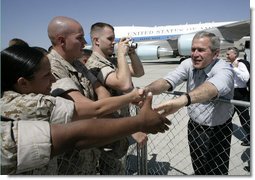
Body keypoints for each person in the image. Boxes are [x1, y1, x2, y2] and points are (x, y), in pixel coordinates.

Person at [0, 45, 171, 175]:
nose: (53, 80)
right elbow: (83, 125)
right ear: (23, 83)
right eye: (46, 76)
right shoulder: (28, 105)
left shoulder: (78, 66)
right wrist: (138, 121)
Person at [47, 16, 145, 174]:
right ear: (61, 40)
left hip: (88, 151)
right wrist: (130, 123)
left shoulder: (77, 64)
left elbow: (102, 93)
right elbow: (86, 108)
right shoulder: (52, 67)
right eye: (79, 38)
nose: (85, 43)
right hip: (69, 157)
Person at [144, 31, 234, 175]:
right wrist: (146, 90)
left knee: (217, 171)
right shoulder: (188, 64)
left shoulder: (224, 68)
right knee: (198, 168)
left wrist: (181, 101)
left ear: (216, 54)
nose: (195, 54)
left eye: (201, 50)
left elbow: (212, 87)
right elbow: (168, 81)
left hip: (218, 130)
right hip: (194, 127)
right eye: (193, 49)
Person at [85, 22, 146, 174]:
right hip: (110, 130)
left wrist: (131, 53)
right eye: (110, 38)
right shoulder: (95, 63)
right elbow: (124, 84)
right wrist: (120, 54)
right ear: (96, 40)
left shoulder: (109, 62)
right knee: (112, 171)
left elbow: (139, 72)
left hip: (119, 129)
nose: (114, 42)